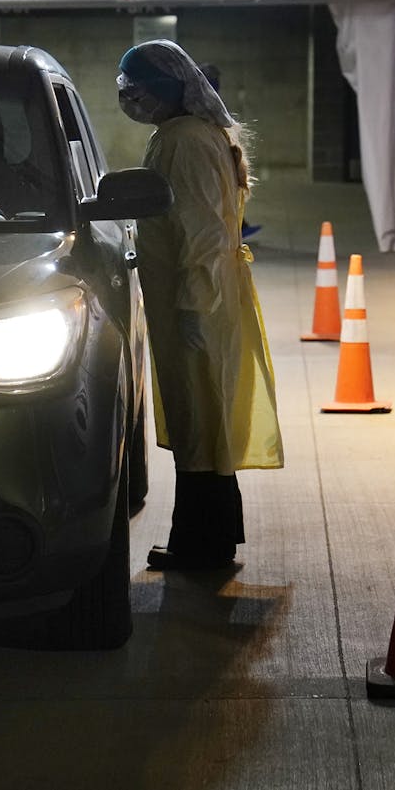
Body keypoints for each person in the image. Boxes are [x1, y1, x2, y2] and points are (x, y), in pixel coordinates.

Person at [118, 40, 284, 570]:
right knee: (204, 420)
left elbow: (200, 231)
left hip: (195, 300)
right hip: (203, 297)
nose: (130, 98)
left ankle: (200, 546)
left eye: (136, 88)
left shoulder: (184, 141)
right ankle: (211, 539)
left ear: (166, 89)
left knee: (197, 420)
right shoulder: (192, 133)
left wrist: (192, 304)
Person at [197, 62, 260, 240]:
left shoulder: (208, 99)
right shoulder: (204, 100)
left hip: (217, 152)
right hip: (211, 155)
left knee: (227, 195)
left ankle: (239, 225)